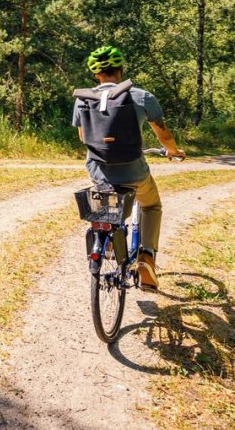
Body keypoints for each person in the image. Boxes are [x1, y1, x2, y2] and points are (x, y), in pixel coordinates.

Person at [72, 46, 185, 290]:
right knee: (151, 205)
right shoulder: (141, 96)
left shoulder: (83, 99)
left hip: (99, 172)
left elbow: (83, 137)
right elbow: (163, 134)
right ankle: (146, 256)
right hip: (134, 171)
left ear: (96, 75)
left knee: (108, 203)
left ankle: (109, 241)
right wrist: (173, 151)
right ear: (121, 69)